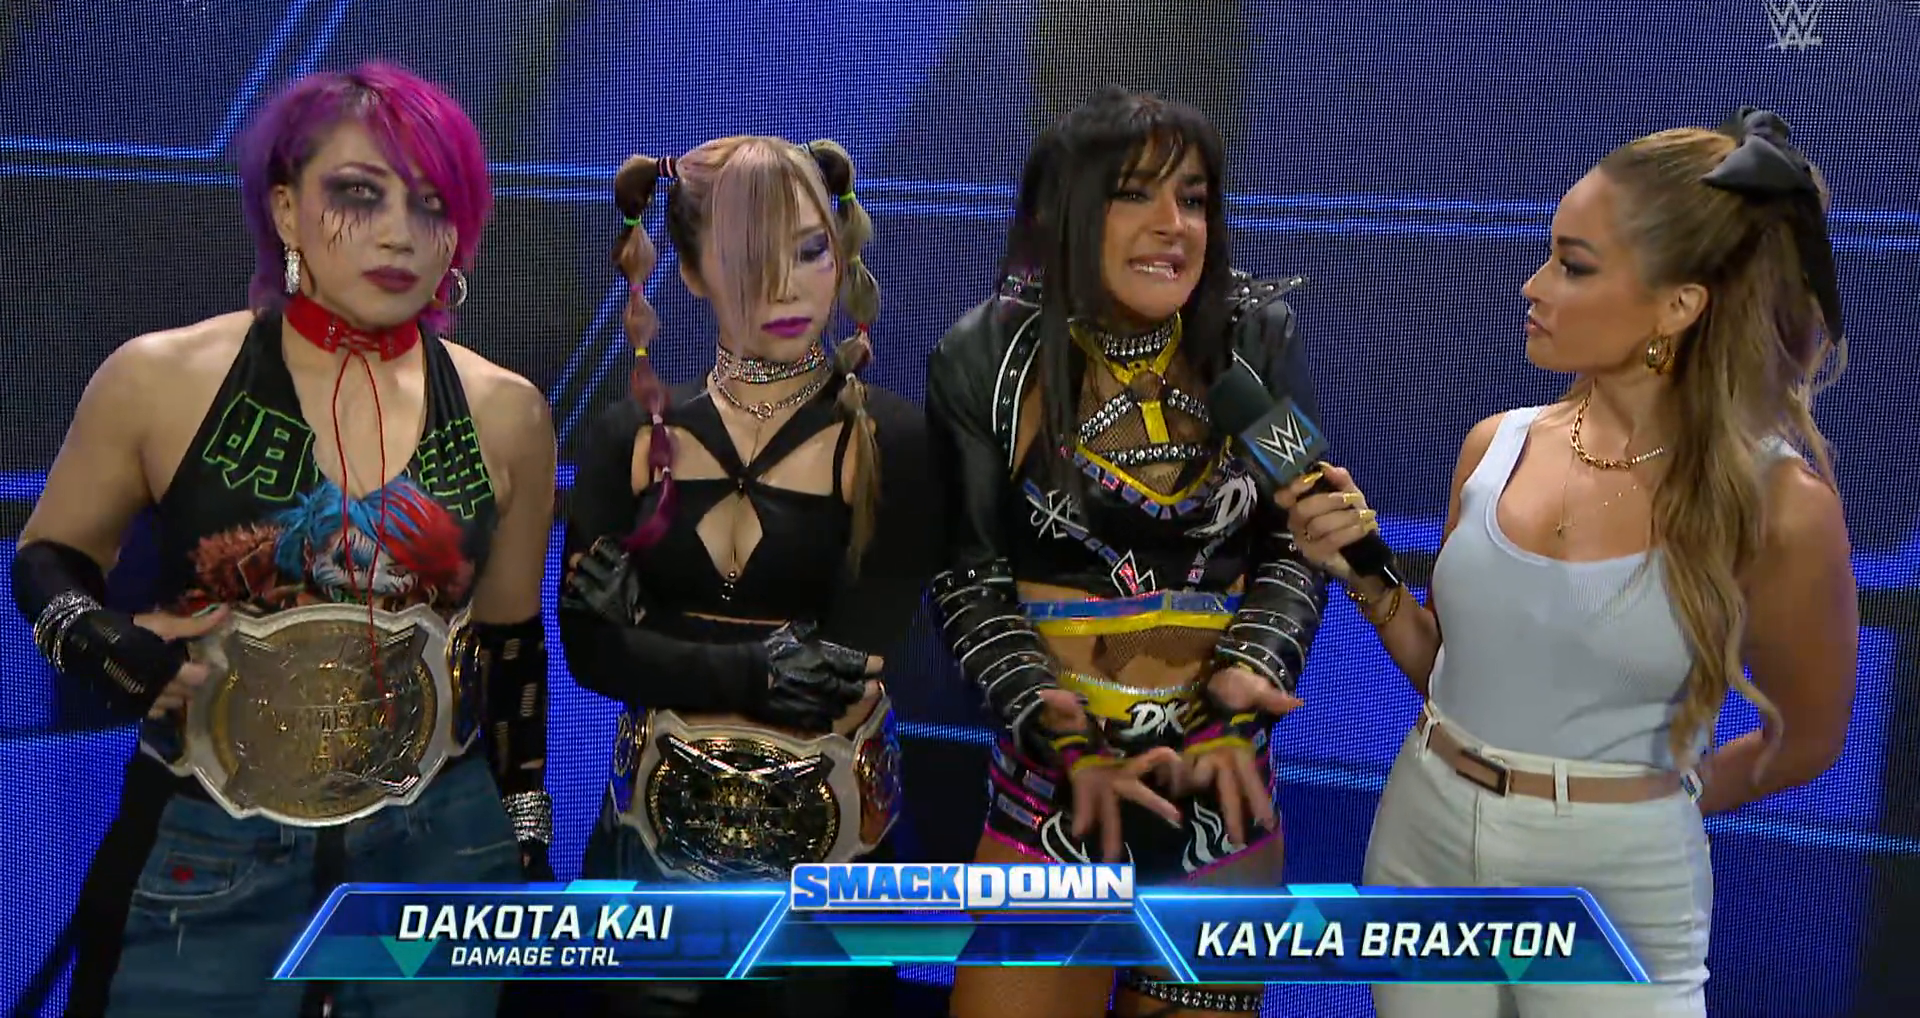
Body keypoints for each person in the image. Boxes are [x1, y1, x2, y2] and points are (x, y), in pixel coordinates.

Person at [1281, 108, 1857, 1018]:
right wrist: (1364, 577)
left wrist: (1640, 811)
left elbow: (1810, 738)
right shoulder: (1495, 446)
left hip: (1616, 887)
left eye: (1573, 265)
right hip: (1423, 837)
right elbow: (1453, 673)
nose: (1533, 285)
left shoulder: (1778, 506)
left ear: (1678, 306)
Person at [9, 62, 556, 1018]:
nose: (400, 233)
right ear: (286, 210)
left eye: (432, 205)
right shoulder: (160, 379)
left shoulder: (507, 412)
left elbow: (511, 649)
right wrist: (104, 646)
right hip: (207, 846)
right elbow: (49, 560)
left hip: (441, 849)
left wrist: (525, 845)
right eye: (359, 194)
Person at [926, 85, 1329, 1018]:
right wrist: (1060, 733)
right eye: (1133, 194)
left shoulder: (1254, 343)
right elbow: (969, 579)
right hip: (1058, 802)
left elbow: (1298, 539)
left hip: (1222, 805)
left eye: (1193, 199)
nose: (1172, 226)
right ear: (1064, 211)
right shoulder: (986, 359)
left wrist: (1246, 688)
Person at [558, 135, 939, 1018]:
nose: (787, 287)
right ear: (693, 274)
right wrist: (755, 670)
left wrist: (659, 642)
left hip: (833, 860)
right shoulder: (626, 437)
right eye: (749, 261)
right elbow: (588, 654)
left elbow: (842, 673)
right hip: (648, 850)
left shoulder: (891, 442)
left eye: (809, 251)